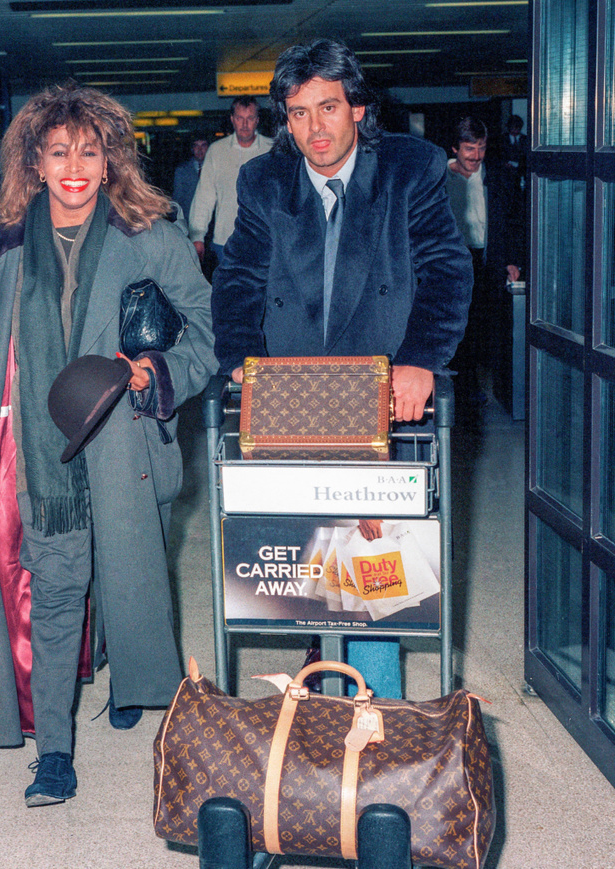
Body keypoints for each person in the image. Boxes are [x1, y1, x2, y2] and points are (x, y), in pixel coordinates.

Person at [0, 83, 217, 807]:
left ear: (110, 162)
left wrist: (155, 372)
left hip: (128, 443)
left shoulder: (149, 233)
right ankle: (56, 754)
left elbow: (203, 332)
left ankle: (129, 674)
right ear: (35, 160)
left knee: (129, 575)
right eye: (59, 151)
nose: (74, 166)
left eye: (89, 152)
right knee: (60, 590)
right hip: (41, 456)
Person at [210, 38, 472, 699]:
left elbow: (445, 269)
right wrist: (242, 359)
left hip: (377, 393)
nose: (314, 129)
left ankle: (371, 718)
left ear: (358, 106)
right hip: (291, 397)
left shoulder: (411, 168)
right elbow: (239, 273)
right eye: (297, 113)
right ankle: (320, 704)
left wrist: (419, 361)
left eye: (328, 108)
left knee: (372, 567)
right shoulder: (264, 180)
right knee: (300, 562)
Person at [445, 116, 522, 409]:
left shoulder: (498, 178)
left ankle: (471, 384)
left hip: (486, 261)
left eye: (481, 148)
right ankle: (453, 385)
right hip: (449, 263)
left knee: (479, 328)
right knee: (453, 327)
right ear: (454, 148)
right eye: (469, 149)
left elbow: (515, 221)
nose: (476, 156)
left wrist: (512, 260)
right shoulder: (436, 179)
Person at [187, 96, 273, 267]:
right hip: (225, 240)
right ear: (232, 120)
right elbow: (204, 196)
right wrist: (197, 236)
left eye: (250, 119)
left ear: (257, 120)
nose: (245, 124)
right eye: (240, 118)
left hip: (265, 240)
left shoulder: (272, 149)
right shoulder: (216, 151)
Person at [172, 135, 208, 223]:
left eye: (203, 145)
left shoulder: (216, 169)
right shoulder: (182, 170)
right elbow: (177, 197)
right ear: (192, 149)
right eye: (196, 146)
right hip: (189, 220)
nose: (200, 150)